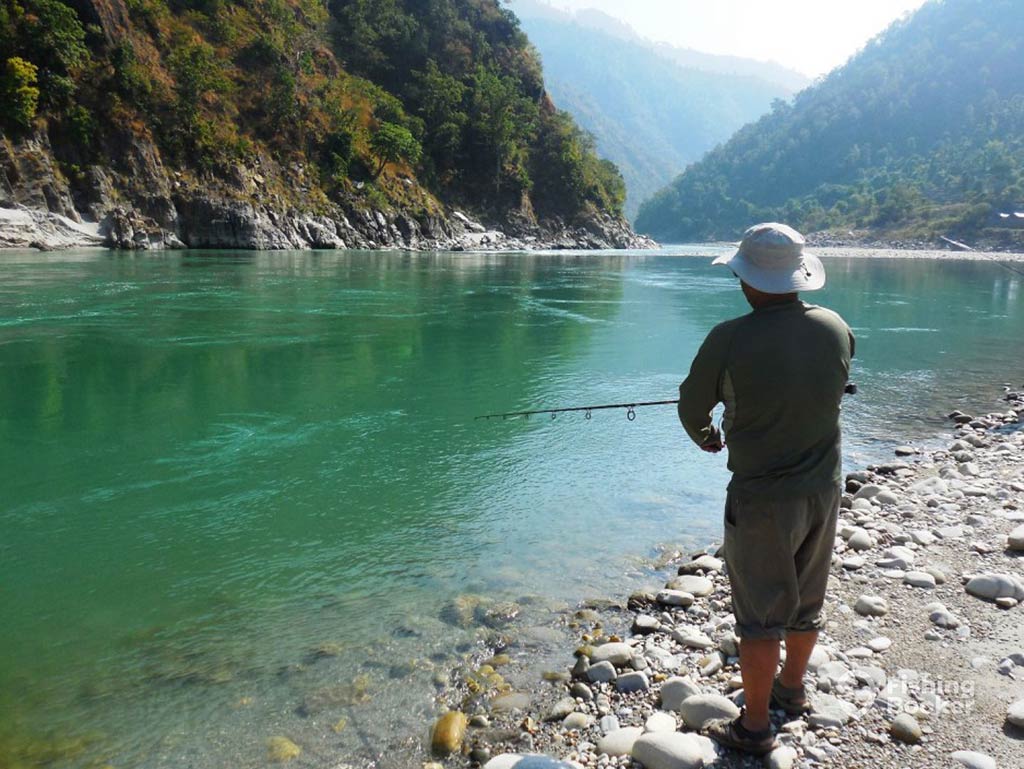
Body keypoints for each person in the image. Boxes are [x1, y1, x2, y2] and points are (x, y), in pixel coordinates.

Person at [677, 222, 855, 755]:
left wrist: (710, 438)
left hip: (761, 498)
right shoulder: (835, 326)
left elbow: (691, 406)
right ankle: (792, 690)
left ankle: (754, 727)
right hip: (824, 489)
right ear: (797, 278)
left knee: (759, 616)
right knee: (807, 597)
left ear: (747, 279)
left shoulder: (729, 338)